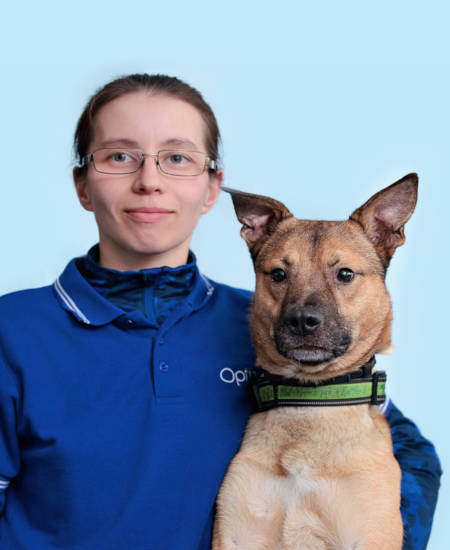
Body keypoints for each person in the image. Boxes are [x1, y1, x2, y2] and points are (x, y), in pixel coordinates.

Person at [0, 73, 441, 550]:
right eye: (120, 156)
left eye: (177, 158)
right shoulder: (13, 332)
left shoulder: (264, 327)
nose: (149, 181)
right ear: (83, 185)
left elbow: (410, 451)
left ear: (212, 189)